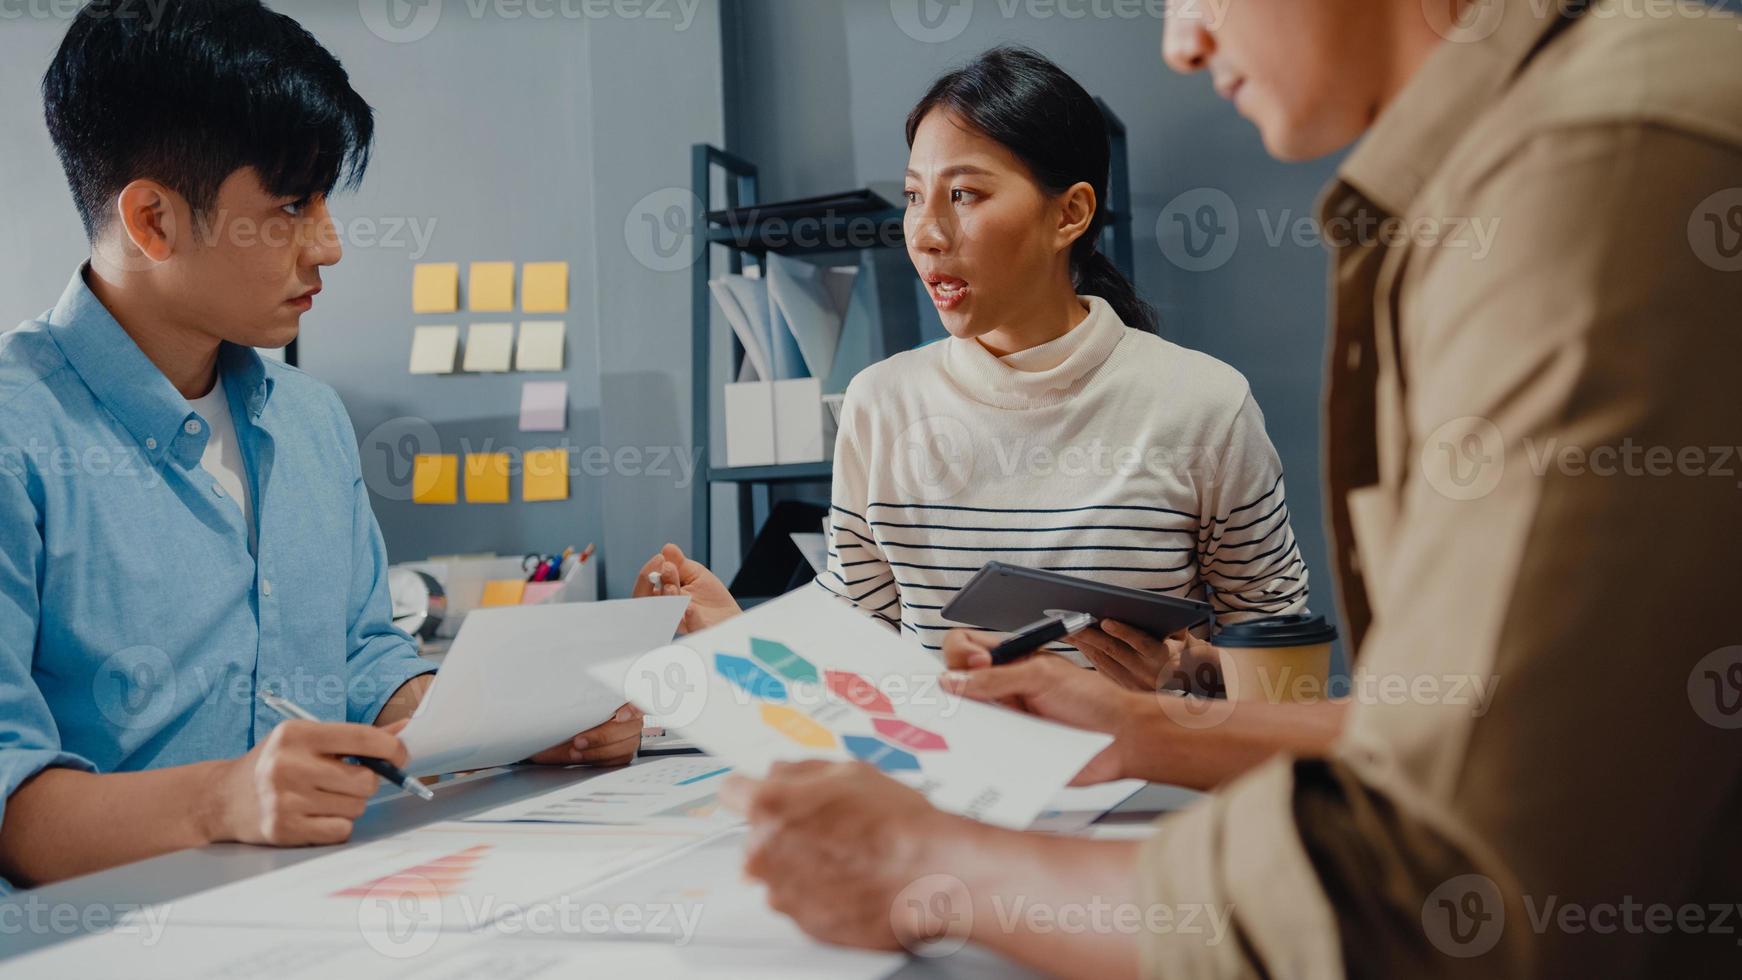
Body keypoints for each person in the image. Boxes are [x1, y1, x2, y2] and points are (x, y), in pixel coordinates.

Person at [720, 1, 1742, 976]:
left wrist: (923, 866)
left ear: (1070, 214)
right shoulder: (1494, 177)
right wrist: (1144, 726)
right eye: (912, 194)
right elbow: (1435, 731)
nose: (1180, 41)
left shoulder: (1592, 161)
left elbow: (1437, 891)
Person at [0, 0, 638, 892]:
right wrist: (221, 801)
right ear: (152, 221)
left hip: (322, 908)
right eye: (292, 205)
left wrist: (522, 722)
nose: (331, 244)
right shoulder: (18, 435)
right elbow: (11, 809)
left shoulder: (308, 419)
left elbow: (362, 659)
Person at [642, 48, 1311, 690]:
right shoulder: (880, 404)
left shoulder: (1203, 406)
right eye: (912, 195)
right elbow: (852, 636)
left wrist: (1189, 672)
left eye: (963, 194)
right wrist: (731, 631)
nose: (926, 233)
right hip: (942, 789)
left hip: (1150, 794)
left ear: (1070, 213)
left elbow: (1291, 676)